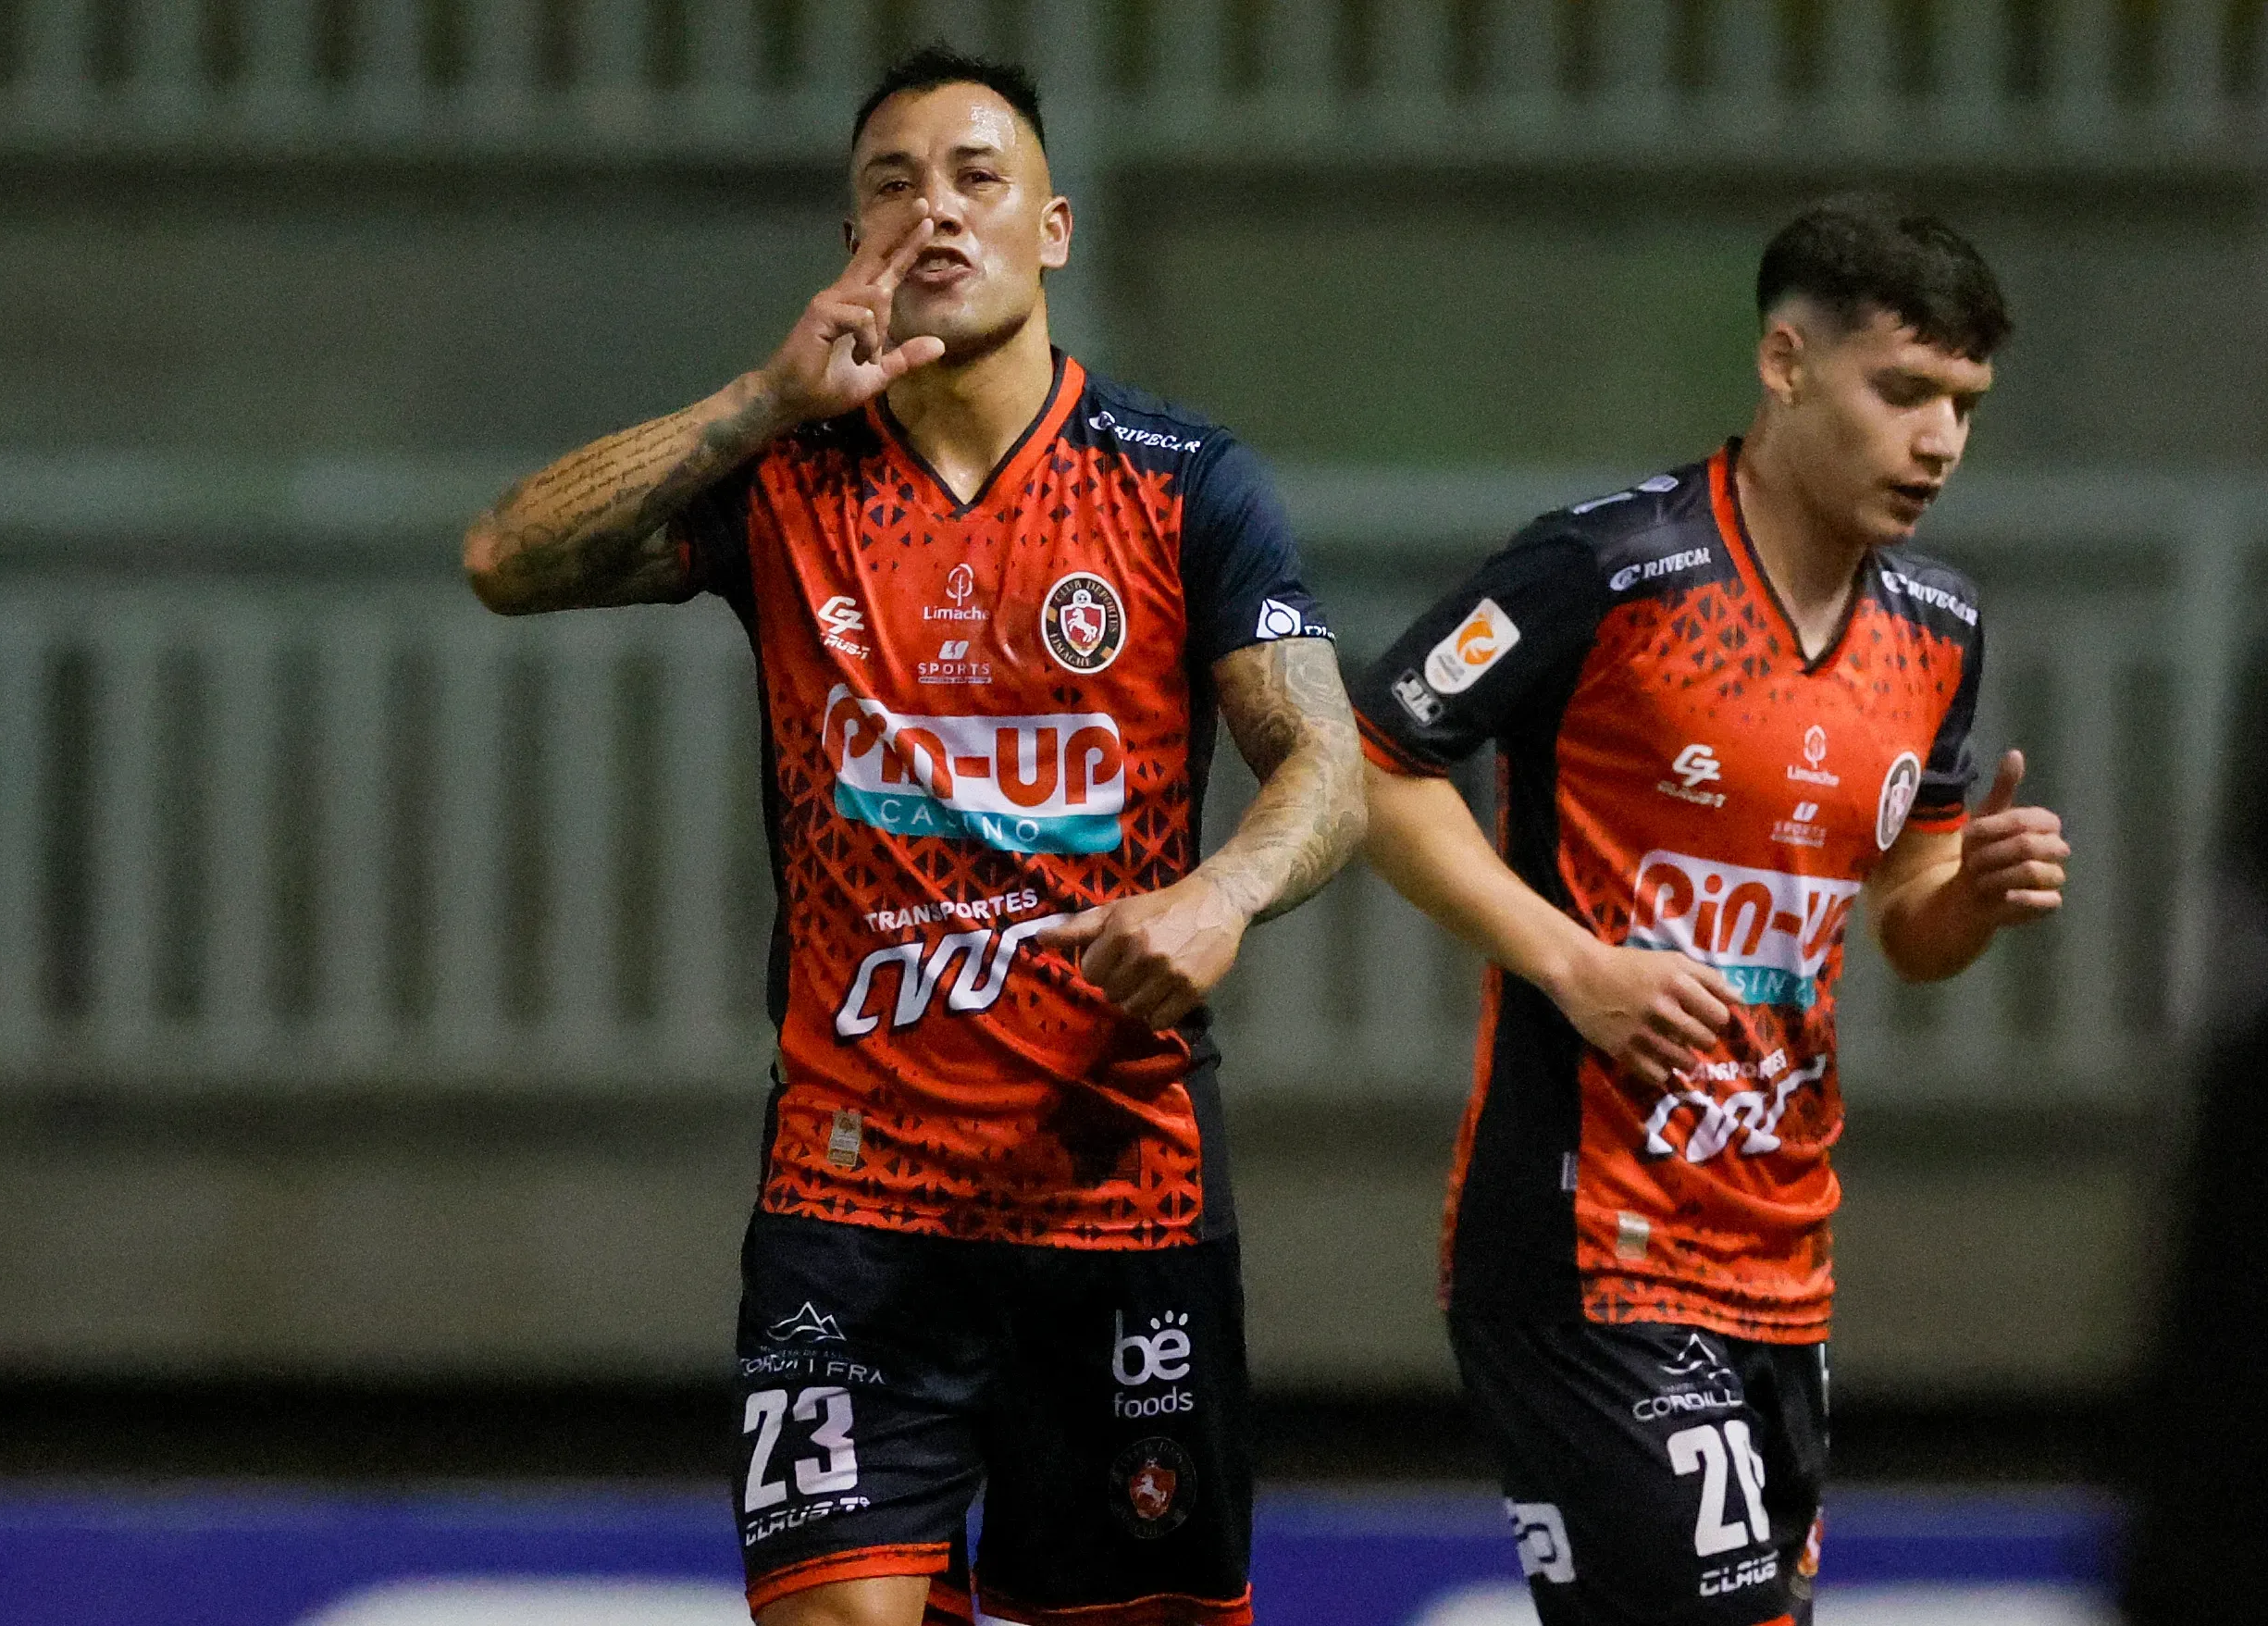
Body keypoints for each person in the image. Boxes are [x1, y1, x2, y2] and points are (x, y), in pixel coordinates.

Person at [463, 45, 1363, 1626]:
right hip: (851, 1210)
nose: (933, 212)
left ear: (1055, 230)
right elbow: (508, 561)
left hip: (1118, 1193)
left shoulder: (1182, 486)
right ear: (851, 246)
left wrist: (1225, 892)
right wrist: (759, 399)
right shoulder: (785, 483)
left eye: (975, 178)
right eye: (892, 186)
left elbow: (1328, 766)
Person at [1350, 197, 2069, 1626]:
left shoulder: (1937, 624)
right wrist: (1574, 966)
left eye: (1966, 405)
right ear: (1786, 365)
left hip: (1776, 1251)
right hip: (1583, 1246)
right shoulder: (1612, 569)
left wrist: (1971, 897)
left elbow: (1909, 916)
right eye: (1904, 392)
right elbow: (1369, 767)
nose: (1939, 442)